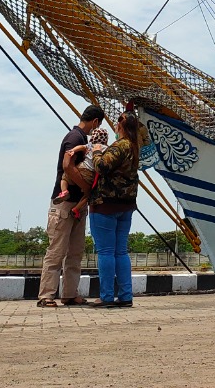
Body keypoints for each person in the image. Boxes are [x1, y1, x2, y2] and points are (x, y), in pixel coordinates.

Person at [37, 105, 105, 308]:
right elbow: (67, 166)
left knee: (75, 251)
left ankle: (69, 293)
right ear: (95, 122)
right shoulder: (75, 138)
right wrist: (86, 188)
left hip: (76, 203)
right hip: (66, 203)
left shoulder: (82, 140)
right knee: (57, 251)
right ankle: (46, 295)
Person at [88, 110, 143, 308]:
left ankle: (107, 297)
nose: (116, 122)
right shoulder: (135, 147)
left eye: (119, 120)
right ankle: (126, 296)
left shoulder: (120, 145)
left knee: (105, 251)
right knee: (120, 251)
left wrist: (95, 151)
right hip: (126, 205)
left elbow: (102, 167)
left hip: (106, 204)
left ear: (122, 125)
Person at [60, 127, 111, 219]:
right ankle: (76, 209)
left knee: (64, 177)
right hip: (90, 174)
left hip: (81, 167)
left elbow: (82, 147)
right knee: (89, 194)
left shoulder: (91, 145)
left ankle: (64, 191)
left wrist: (73, 150)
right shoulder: (106, 149)